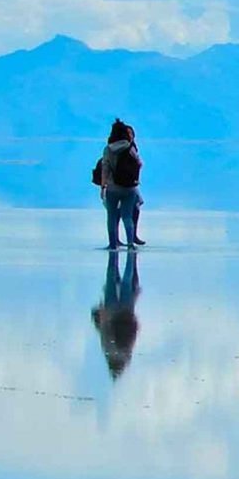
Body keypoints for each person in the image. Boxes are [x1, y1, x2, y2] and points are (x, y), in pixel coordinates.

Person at [92, 248, 141, 379]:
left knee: (126, 281)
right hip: (112, 312)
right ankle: (120, 257)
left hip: (125, 313)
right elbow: (104, 330)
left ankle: (129, 258)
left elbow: (133, 332)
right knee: (111, 280)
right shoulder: (112, 350)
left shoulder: (125, 353)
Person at [99, 119, 143, 250]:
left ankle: (113, 244)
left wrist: (103, 186)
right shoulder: (130, 147)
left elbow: (105, 168)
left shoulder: (108, 149)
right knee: (127, 216)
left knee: (111, 216)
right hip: (130, 188)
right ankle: (130, 243)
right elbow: (139, 163)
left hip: (113, 187)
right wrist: (134, 178)